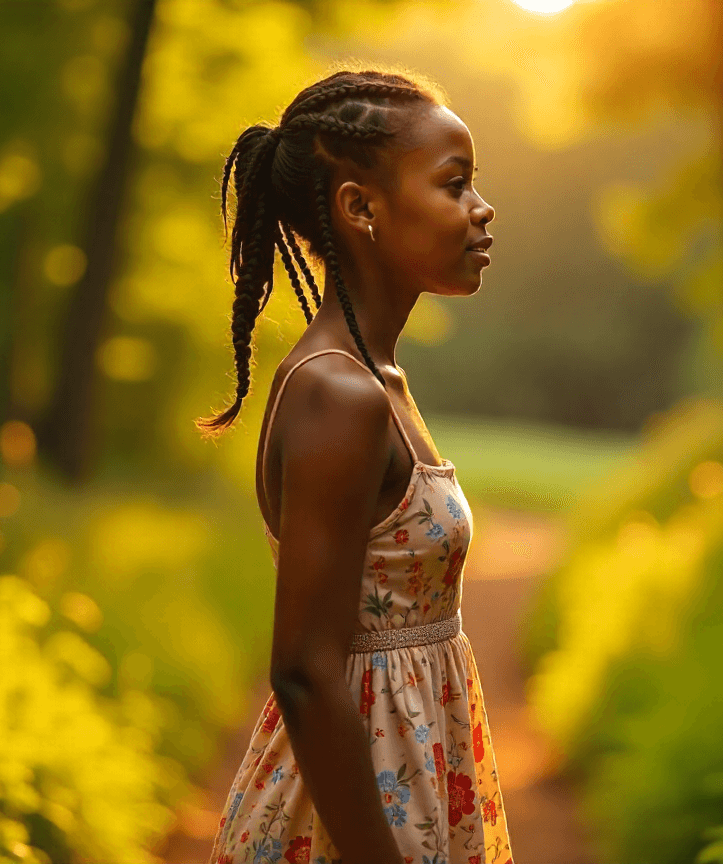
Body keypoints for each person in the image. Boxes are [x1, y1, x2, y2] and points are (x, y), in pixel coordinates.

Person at [197, 67, 513, 864]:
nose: (482, 209)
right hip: (356, 821)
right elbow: (304, 671)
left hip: (408, 785)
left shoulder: (377, 380)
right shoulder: (339, 392)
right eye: (456, 184)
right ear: (360, 208)